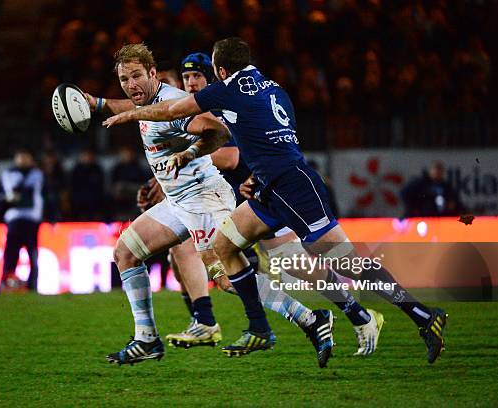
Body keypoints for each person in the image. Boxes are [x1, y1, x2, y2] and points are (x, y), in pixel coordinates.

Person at [104, 37, 448, 365]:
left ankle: (422, 315)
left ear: (220, 70)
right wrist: (255, 174)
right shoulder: (275, 89)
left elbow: (175, 110)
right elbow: (277, 135)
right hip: (269, 186)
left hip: (293, 186)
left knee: (347, 264)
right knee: (226, 244)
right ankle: (259, 327)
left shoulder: (228, 88)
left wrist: (130, 114)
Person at [161, 52, 382, 360]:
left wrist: (183, 158)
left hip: (260, 194)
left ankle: (350, 314)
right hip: (235, 201)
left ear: (212, 77)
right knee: (214, 265)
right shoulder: (199, 116)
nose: (192, 82)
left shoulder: (222, 107)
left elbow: (234, 156)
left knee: (293, 266)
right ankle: (217, 322)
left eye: (197, 76)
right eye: (186, 79)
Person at [85, 43, 236, 366]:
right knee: (126, 252)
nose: (131, 84)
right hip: (181, 202)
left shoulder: (175, 105)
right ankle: (148, 339)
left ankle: (309, 316)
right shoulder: (152, 102)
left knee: (227, 278)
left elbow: (223, 141)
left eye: (137, 76)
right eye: (125, 79)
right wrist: (97, 103)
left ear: (154, 74)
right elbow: (132, 106)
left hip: (207, 198)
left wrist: (188, 156)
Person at [0, 149, 44, 292]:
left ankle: (32, 286)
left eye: (26, 157)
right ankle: (6, 284)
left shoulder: (38, 175)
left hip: (32, 219)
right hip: (14, 218)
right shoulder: (8, 174)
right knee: (11, 254)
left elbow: (46, 195)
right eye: (21, 157)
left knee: (33, 254)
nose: (23, 160)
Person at [401, 161, 465, 217]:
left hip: (442, 218)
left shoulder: (446, 187)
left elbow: (456, 202)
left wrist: (454, 206)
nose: (437, 172)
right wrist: (414, 209)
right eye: (435, 169)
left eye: (440, 170)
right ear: (430, 171)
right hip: (424, 218)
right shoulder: (420, 183)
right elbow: (404, 193)